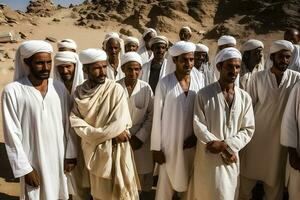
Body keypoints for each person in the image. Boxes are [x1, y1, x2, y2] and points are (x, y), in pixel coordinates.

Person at [2, 40, 75, 199]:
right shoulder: (13, 91)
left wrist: (70, 154)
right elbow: (11, 134)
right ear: (27, 62)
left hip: (59, 159)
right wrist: (25, 169)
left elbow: (69, 124)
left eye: (49, 62)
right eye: (40, 63)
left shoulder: (59, 88)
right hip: (33, 162)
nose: (46, 67)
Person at [70, 48, 140, 200]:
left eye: (104, 67)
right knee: (100, 194)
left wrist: (93, 137)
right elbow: (76, 123)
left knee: (121, 193)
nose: (102, 72)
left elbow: (119, 124)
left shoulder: (115, 90)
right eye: (96, 68)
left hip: (116, 151)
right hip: (94, 152)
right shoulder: (79, 93)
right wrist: (109, 137)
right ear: (85, 69)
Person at [186, 47, 255, 200]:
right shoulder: (204, 94)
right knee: (206, 192)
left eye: (237, 67)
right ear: (219, 67)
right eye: (230, 66)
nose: (234, 71)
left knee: (226, 194)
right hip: (208, 154)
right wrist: (215, 143)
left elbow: (248, 128)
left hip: (230, 155)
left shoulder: (245, 98)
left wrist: (226, 146)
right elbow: (198, 124)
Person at [239, 40, 300, 200]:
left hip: (279, 142)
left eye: (288, 57)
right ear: (272, 56)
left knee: (274, 185)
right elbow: (248, 108)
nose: (284, 60)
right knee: (245, 181)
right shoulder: (258, 77)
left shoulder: (296, 79)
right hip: (256, 138)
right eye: (281, 56)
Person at [151, 41, 204, 200]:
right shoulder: (165, 83)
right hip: (169, 145)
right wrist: (156, 148)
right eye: (184, 60)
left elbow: (203, 111)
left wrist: (197, 137)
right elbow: (157, 116)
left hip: (192, 144)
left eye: (191, 59)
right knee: (165, 189)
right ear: (175, 60)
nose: (189, 63)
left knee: (190, 185)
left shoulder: (200, 79)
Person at [53, 51, 91, 200]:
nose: (65, 71)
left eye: (68, 67)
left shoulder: (84, 89)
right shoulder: (52, 90)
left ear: (75, 66)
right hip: (61, 143)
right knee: (67, 183)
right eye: (60, 68)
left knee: (87, 182)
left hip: (84, 141)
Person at [117, 52, 154, 199]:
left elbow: (151, 115)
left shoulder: (146, 88)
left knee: (142, 180)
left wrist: (140, 137)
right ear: (123, 69)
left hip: (141, 142)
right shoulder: (115, 87)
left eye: (137, 69)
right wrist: (120, 134)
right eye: (130, 69)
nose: (133, 73)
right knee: (122, 179)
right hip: (120, 140)